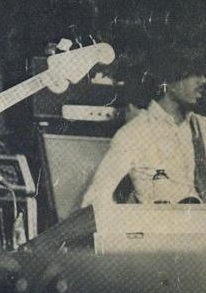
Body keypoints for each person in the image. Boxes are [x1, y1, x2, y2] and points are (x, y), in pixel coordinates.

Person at [82, 45, 206, 210]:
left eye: (203, 74)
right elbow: (94, 199)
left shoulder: (201, 127)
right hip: (162, 224)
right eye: (194, 73)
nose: (203, 81)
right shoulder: (135, 133)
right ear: (168, 79)